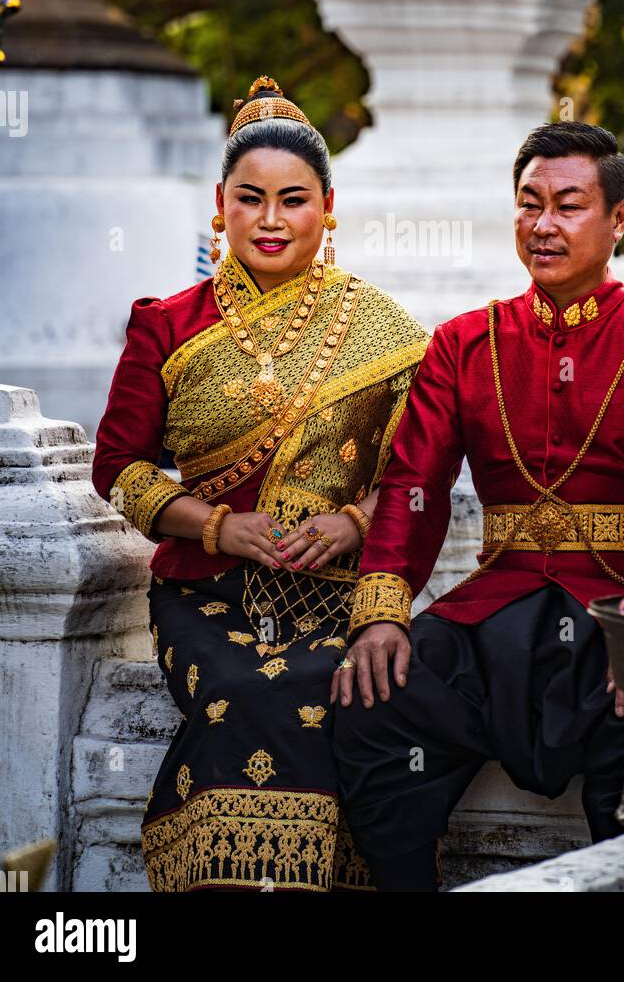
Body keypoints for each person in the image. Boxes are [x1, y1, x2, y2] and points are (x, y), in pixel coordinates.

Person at [331, 121, 624, 891]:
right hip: (495, 613)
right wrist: (381, 608)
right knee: (375, 704)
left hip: (620, 612)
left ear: (617, 219)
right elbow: (415, 483)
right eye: (528, 203)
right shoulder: (463, 343)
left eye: (568, 205)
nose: (543, 225)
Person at [92, 75, 429, 893]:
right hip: (204, 591)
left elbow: (416, 478)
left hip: (337, 589)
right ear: (221, 202)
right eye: (251, 199)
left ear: (327, 205)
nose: (271, 220)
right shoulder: (166, 323)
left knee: (334, 685)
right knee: (242, 689)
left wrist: (354, 522)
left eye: (293, 199)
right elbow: (119, 469)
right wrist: (213, 527)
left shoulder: (385, 329)